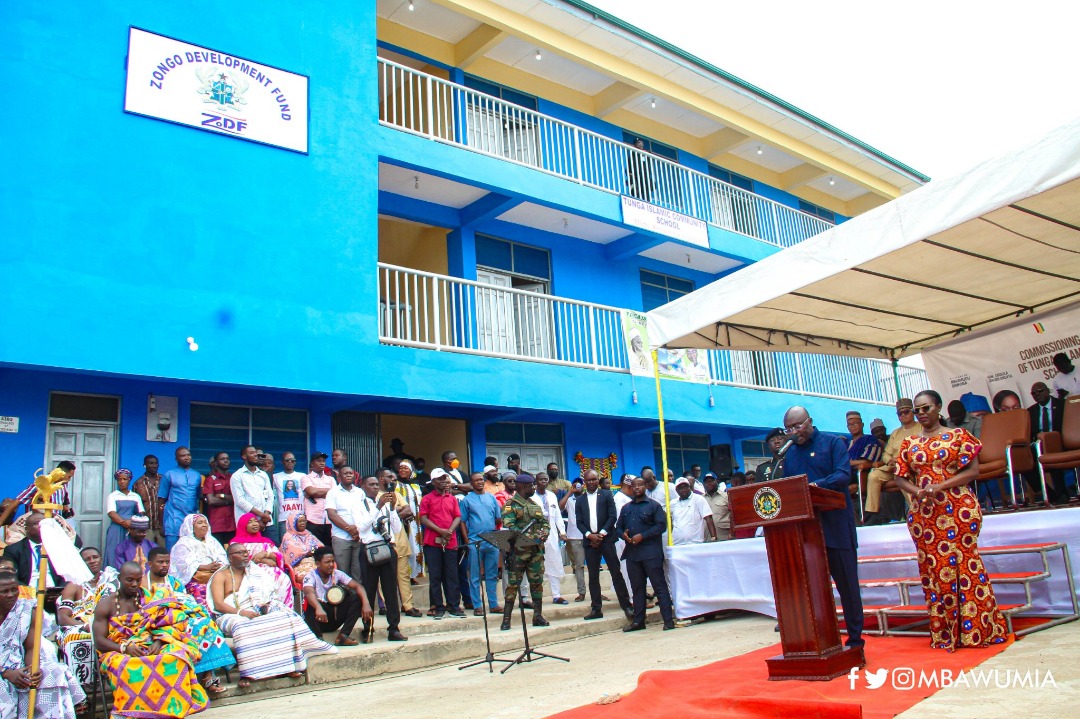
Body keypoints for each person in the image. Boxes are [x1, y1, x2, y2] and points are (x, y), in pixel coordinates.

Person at [892, 390, 1010, 650]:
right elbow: (900, 477)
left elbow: (974, 470)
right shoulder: (909, 443)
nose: (922, 413)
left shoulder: (959, 436)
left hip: (958, 509)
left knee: (965, 565)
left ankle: (977, 630)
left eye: (926, 408)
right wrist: (919, 492)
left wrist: (941, 486)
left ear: (938, 407)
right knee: (935, 570)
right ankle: (946, 633)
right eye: (917, 409)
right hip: (925, 514)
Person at [778, 406, 865, 649]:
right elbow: (788, 486)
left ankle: (856, 640)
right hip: (807, 533)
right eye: (789, 429)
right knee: (813, 588)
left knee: (847, 587)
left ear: (810, 421)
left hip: (836, 526)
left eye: (798, 426)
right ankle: (821, 639)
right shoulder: (791, 453)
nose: (795, 432)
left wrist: (813, 487)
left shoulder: (833, 443)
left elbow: (841, 476)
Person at [208, 544, 335, 687]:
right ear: (230, 558)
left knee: (285, 619)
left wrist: (266, 606)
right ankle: (248, 674)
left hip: (256, 609)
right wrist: (241, 613)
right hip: (231, 614)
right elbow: (218, 604)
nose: (245, 555)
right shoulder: (221, 575)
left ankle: (286, 668)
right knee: (242, 627)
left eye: (246, 552)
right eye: (240, 553)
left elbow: (268, 594)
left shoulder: (254, 572)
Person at [94, 562, 210, 717]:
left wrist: (160, 641)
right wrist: (124, 648)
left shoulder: (150, 598)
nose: (134, 584)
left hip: (151, 643)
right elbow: (99, 641)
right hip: (117, 649)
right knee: (125, 665)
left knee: (178, 656)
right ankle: (133, 712)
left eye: (138, 580)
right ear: (119, 579)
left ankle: (171, 709)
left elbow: (169, 623)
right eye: (129, 580)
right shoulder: (106, 604)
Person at [141, 548, 234, 694]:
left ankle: (208, 676)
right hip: (153, 624)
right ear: (150, 564)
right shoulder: (141, 584)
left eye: (167, 562)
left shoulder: (174, 583)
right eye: (160, 562)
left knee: (206, 625)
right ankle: (190, 681)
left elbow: (186, 602)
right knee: (188, 633)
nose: (164, 565)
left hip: (178, 620)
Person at [0, 571, 86, 719]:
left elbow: (31, 647)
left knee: (53, 672)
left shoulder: (27, 609)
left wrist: (32, 671)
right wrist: (6, 673)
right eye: (4, 591)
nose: (10, 595)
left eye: (14, 589)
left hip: (17, 664)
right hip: (3, 671)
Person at [353, 475, 407, 642]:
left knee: (391, 590)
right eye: (371, 485)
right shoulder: (359, 505)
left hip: (387, 548)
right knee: (368, 590)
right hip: (369, 549)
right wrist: (378, 506)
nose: (375, 487)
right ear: (363, 486)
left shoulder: (384, 505)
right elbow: (362, 528)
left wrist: (391, 509)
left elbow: (396, 529)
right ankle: (367, 628)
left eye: (377, 484)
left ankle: (394, 628)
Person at [616, 476, 674, 632]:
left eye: (640, 485)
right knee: (637, 589)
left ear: (645, 487)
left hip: (651, 553)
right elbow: (618, 527)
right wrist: (624, 536)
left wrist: (643, 535)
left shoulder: (654, 506)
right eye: (634, 485)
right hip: (633, 554)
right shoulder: (626, 508)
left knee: (659, 587)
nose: (637, 488)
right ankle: (638, 621)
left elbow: (661, 526)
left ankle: (668, 620)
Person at [56, 547, 119, 686]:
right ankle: (80, 687)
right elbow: (63, 617)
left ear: (101, 559)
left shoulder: (112, 582)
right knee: (73, 638)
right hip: (79, 627)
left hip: (108, 625)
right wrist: (85, 626)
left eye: (95, 557)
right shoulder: (74, 585)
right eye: (87, 559)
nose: (92, 561)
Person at [576, 469, 632, 620]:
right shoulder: (580, 499)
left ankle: (626, 606)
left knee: (616, 572)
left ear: (597, 480)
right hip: (590, 542)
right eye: (589, 480)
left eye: (594, 479)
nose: (592, 482)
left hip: (606, 539)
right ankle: (596, 609)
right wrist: (590, 536)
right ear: (585, 482)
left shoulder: (607, 495)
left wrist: (601, 534)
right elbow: (579, 521)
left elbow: (613, 516)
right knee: (593, 576)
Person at [500, 474, 549, 631]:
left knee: (537, 584)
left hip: (536, 552)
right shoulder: (511, 505)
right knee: (513, 585)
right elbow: (510, 526)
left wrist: (545, 533)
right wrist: (532, 536)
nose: (534, 488)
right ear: (522, 487)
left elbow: (544, 523)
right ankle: (506, 619)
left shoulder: (535, 505)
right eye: (531, 486)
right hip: (518, 552)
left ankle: (538, 616)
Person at [864, 398, 921, 525]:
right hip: (893, 466)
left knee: (901, 473)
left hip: (913, 466)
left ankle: (916, 511)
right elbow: (886, 453)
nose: (903, 415)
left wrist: (904, 459)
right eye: (900, 414)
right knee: (874, 476)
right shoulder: (896, 433)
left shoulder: (921, 428)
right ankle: (872, 515)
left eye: (906, 412)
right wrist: (889, 460)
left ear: (913, 412)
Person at [301, 547, 372, 646]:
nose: (331, 565)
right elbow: (309, 592)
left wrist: (366, 603)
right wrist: (318, 608)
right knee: (310, 603)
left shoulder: (337, 573)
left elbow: (357, 586)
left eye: (332, 561)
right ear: (317, 563)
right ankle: (318, 639)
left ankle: (343, 636)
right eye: (327, 562)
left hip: (334, 617)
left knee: (358, 598)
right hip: (319, 619)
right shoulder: (310, 576)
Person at [417, 469, 463, 619]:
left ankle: (454, 605)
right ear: (433, 482)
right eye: (440, 479)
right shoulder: (427, 499)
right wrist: (440, 530)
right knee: (435, 576)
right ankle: (438, 606)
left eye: (445, 478)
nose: (443, 481)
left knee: (452, 574)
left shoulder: (452, 499)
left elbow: (457, 516)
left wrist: (449, 530)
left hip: (450, 541)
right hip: (432, 542)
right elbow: (423, 519)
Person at [459, 473, 503, 616]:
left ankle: (493, 604)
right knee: (475, 575)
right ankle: (477, 605)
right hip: (475, 542)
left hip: (492, 541)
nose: (479, 482)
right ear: (471, 484)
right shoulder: (467, 500)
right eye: (476, 480)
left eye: (481, 480)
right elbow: (462, 522)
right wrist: (467, 542)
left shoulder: (491, 498)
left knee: (492, 574)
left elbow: (498, 519)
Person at [229, 513, 293, 608]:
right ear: (243, 525)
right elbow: (242, 560)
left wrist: (265, 554)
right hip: (248, 572)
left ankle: (282, 610)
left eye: (256, 521)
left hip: (272, 571)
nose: (254, 524)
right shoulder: (236, 543)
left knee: (284, 580)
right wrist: (265, 561)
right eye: (250, 522)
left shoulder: (266, 541)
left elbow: (278, 556)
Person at [169, 514, 227, 609]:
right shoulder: (184, 543)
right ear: (191, 526)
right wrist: (205, 567)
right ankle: (205, 616)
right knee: (199, 589)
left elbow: (223, 557)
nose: (204, 525)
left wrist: (219, 565)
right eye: (200, 523)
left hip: (216, 575)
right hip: (196, 579)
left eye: (205, 523)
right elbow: (182, 564)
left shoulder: (212, 541)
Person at [2, 512, 74, 588]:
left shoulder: (58, 547)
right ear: (27, 529)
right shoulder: (14, 550)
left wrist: (59, 590)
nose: (42, 526)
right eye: (37, 523)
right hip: (26, 593)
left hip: (55, 591)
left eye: (44, 523)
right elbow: (11, 577)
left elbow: (67, 574)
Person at [324, 467, 367, 585]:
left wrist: (357, 530)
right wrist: (350, 529)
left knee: (358, 573)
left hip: (358, 537)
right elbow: (332, 515)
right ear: (339, 477)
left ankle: (357, 602)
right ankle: (345, 601)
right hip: (341, 538)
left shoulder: (360, 492)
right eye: (345, 473)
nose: (348, 475)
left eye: (350, 473)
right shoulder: (332, 493)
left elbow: (365, 513)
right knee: (342, 573)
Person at [1028, 381, 1068, 503]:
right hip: (1039, 445)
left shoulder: (1063, 405)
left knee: (1051, 450)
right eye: (1033, 393)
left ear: (1048, 390)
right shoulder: (1030, 411)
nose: (1037, 394)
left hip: (1061, 442)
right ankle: (1051, 496)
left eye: (1040, 391)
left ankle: (1062, 494)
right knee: (1024, 461)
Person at [532, 472, 567, 605]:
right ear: (536, 481)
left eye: (545, 480)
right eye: (541, 479)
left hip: (551, 534)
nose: (544, 482)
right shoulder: (531, 496)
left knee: (554, 563)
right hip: (535, 535)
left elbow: (557, 515)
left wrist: (562, 532)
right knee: (535, 565)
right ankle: (535, 597)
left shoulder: (552, 496)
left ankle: (556, 595)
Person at [158, 446, 203, 551]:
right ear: (176, 459)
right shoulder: (169, 474)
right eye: (183, 456)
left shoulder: (196, 475)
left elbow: (197, 497)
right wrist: (161, 524)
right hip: (173, 519)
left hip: (191, 520)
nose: (187, 457)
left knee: (190, 553)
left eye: (188, 455)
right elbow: (161, 501)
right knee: (172, 553)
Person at [391, 459, 424, 591]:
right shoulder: (396, 485)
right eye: (401, 468)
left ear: (412, 471)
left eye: (406, 468)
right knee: (405, 549)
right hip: (402, 521)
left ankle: (412, 575)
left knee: (415, 548)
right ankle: (403, 576)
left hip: (416, 522)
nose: (402, 471)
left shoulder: (416, 485)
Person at [105, 469, 144, 574]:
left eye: (124, 479)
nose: (122, 482)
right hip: (117, 528)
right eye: (119, 479)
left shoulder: (135, 496)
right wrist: (124, 522)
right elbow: (111, 513)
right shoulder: (113, 496)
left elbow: (141, 513)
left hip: (132, 528)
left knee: (130, 551)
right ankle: (114, 575)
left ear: (129, 480)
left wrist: (132, 523)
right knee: (113, 551)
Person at [231, 446, 274, 531]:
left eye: (255, 453)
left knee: (274, 543)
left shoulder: (263, 475)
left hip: (267, 522)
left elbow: (270, 496)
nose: (255, 455)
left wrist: (264, 517)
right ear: (244, 457)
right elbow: (240, 501)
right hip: (247, 523)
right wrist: (261, 515)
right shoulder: (237, 476)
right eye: (251, 453)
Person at [201, 451, 235, 545]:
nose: (225, 461)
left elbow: (238, 499)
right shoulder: (210, 479)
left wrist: (222, 496)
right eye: (222, 459)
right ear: (215, 463)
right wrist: (230, 500)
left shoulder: (234, 478)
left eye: (227, 459)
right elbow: (211, 501)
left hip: (233, 524)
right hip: (217, 525)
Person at [301, 452, 335, 545]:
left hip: (329, 520)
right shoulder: (306, 478)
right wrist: (328, 491)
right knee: (313, 548)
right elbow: (311, 492)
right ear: (312, 464)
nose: (322, 463)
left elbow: (335, 494)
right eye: (318, 461)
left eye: (323, 461)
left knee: (328, 548)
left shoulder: (330, 479)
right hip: (313, 520)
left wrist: (317, 492)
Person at [670, 476, 716, 544]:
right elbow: (670, 521)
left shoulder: (698, 499)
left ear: (689, 487)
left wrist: (713, 536)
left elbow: (708, 518)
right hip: (677, 543)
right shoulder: (672, 503)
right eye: (680, 488)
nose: (683, 489)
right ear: (676, 490)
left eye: (685, 487)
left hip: (695, 542)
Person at [562, 478, 587, 602]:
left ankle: (596, 591)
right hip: (574, 537)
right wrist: (569, 492)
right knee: (579, 566)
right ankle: (581, 592)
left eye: (580, 485)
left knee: (594, 566)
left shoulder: (588, 497)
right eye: (575, 485)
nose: (578, 487)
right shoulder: (570, 500)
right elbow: (560, 507)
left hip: (589, 536)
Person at [133, 455, 167, 546]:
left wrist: (163, 525)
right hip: (146, 527)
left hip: (162, 526)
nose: (154, 465)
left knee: (163, 553)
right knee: (147, 553)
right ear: (145, 465)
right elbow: (135, 507)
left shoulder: (164, 480)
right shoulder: (138, 484)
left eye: (156, 463)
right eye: (151, 463)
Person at [280, 513, 322, 584]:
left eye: (304, 521)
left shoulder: (308, 534)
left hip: (314, 562)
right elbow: (294, 553)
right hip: (299, 566)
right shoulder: (287, 537)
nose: (303, 523)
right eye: (300, 521)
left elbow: (318, 546)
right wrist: (309, 552)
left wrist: (312, 551)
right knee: (311, 577)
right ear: (293, 523)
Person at [274, 452, 306, 539]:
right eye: (287, 460)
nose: (290, 462)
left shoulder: (302, 476)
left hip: (300, 518)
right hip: (284, 519)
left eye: (293, 460)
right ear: (282, 462)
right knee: (285, 546)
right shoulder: (276, 477)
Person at [702, 473, 730, 540]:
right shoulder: (701, 499)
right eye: (706, 482)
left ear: (717, 481)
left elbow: (733, 516)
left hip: (724, 536)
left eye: (711, 481)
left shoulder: (726, 496)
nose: (709, 483)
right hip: (706, 537)